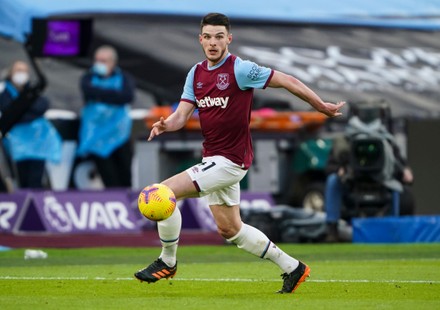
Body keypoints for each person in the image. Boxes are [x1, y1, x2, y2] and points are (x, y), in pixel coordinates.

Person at [134, 13, 345, 294]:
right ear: (200, 39)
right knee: (230, 229)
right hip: (212, 159)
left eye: (219, 36)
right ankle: (293, 267)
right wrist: (167, 125)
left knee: (163, 193)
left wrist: (319, 105)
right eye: (207, 37)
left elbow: (286, 79)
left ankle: (167, 261)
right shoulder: (195, 74)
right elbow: (181, 115)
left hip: (232, 160)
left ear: (229, 39)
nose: (213, 42)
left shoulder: (240, 70)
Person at [324, 110, 414, 242]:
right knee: (332, 180)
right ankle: (332, 229)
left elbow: (398, 163)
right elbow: (329, 167)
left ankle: (395, 229)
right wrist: (339, 169)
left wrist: (406, 171)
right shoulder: (343, 141)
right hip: (352, 182)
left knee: (398, 189)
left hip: (381, 181)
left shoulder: (386, 141)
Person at [77, 45, 135, 188]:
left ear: (112, 62)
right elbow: (88, 91)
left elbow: (127, 96)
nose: (99, 64)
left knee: (125, 172)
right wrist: (113, 95)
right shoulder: (88, 77)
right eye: (97, 60)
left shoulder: (124, 78)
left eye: (103, 61)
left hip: (119, 133)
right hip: (97, 135)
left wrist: (100, 95)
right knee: (108, 175)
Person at [0, 60, 61, 189]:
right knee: (21, 178)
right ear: (11, 73)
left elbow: (42, 106)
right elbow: (8, 113)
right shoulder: (4, 94)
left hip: (38, 142)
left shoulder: (34, 90)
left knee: (36, 178)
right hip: (15, 143)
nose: (21, 74)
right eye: (18, 70)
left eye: (23, 71)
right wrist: (27, 110)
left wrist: (20, 111)